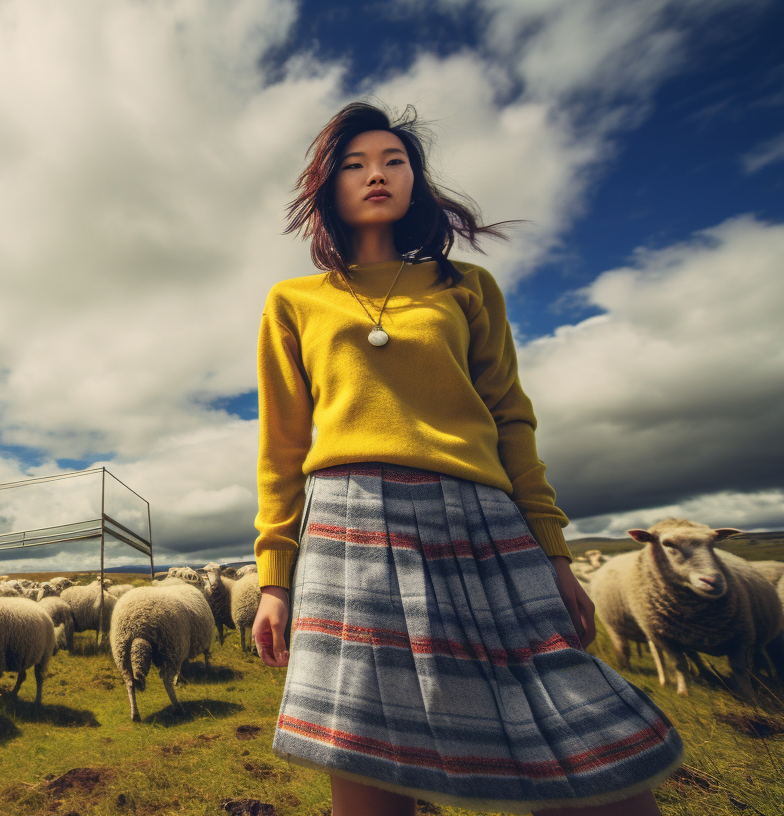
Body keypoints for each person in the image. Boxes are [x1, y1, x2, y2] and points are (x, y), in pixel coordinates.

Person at [248, 102, 682, 816]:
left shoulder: (468, 288)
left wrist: (556, 553)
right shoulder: (293, 302)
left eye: (394, 161)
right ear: (329, 189)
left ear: (416, 181)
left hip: (480, 518)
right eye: (354, 165)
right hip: (349, 522)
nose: (376, 175)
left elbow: (511, 418)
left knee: (575, 726)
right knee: (364, 739)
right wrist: (274, 575)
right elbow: (282, 447)